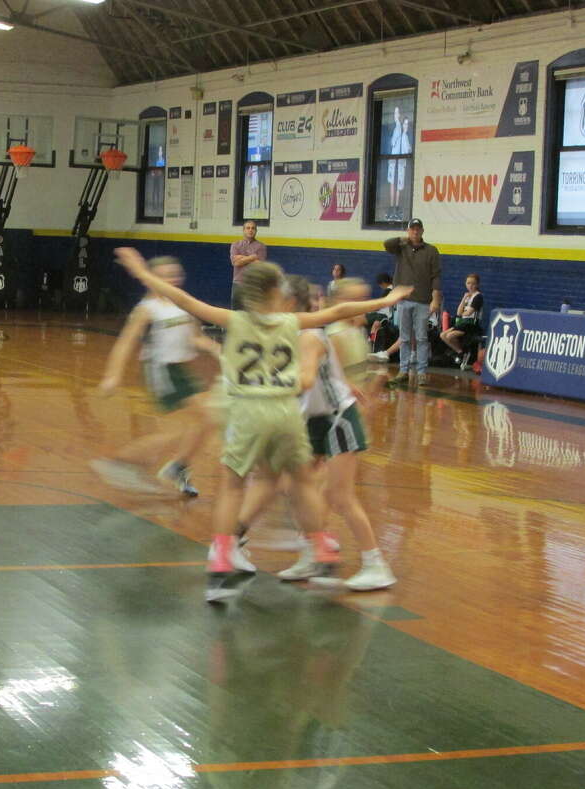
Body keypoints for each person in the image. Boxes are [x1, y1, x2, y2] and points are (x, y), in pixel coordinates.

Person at [115, 246, 409, 603]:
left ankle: (222, 560)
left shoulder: (234, 320)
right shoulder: (291, 323)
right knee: (300, 481)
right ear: (276, 294)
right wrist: (385, 300)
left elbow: (184, 299)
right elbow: (340, 311)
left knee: (234, 486)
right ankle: (320, 548)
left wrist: (141, 272)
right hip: (283, 413)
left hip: (249, 413)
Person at [278, 278, 395, 590]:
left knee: (338, 496)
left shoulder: (311, 337)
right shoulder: (300, 334)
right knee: (295, 487)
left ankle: (375, 564)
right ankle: (313, 549)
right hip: (314, 419)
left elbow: (303, 379)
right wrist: (347, 382)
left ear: (288, 305)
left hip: (336, 418)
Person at [91, 256, 217, 497]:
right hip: (161, 370)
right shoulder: (147, 308)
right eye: (165, 275)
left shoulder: (182, 303)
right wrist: (113, 376)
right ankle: (122, 462)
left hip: (181, 370)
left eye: (175, 274)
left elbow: (195, 336)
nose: (172, 278)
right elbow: (125, 343)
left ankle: (177, 466)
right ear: (151, 280)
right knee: (192, 425)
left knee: (206, 422)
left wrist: (216, 349)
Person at [384, 218, 441, 386]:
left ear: (423, 231)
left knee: (422, 338)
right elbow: (387, 244)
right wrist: (403, 239)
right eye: (412, 229)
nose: (415, 232)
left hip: (423, 301)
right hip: (404, 301)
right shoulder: (401, 248)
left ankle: (422, 372)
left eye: (418, 229)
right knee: (404, 338)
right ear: (408, 231)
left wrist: (435, 299)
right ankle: (403, 370)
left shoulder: (432, 251)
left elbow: (436, 276)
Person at [440, 273, 484, 367]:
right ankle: (461, 352)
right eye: (468, 283)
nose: (470, 286)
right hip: (463, 323)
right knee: (443, 335)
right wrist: (464, 298)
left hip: (472, 324)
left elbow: (468, 313)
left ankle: (463, 352)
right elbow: (459, 312)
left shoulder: (478, 297)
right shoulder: (468, 297)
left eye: (473, 284)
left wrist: (462, 314)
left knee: (450, 336)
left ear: (477, 285)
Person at [228, 221, 267, 308]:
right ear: (244, 230)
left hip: (253, 284)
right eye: (248, 228)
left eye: (253, 228)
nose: (250, 230)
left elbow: (260, 265)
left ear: (256, 231)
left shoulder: (261, 246)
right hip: (238, 284)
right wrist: (252, 257)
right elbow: (235, 262)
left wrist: (242, 258)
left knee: (252, 313)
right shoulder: (235, 245)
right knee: (236, 312)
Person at [387, 107, 412, 220]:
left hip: (399, 164)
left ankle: (395, 208)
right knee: (394, 184)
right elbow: (393, 143)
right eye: (405, 124)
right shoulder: (398, 130)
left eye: (407, 124)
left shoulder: (404, 135)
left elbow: (407, 150)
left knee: (397, 185)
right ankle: (393, 208)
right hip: (396, 163)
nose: (406, 126)